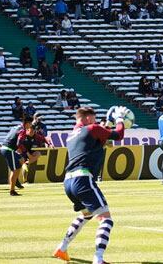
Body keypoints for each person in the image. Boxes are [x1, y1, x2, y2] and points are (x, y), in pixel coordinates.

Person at [52, 106, 127, 264]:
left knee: (86, 214)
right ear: (87, 118)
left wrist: (103, 139)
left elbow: (89, 147)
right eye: (93, 118)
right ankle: (98, 258)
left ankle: (62, 247)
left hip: (68, 182)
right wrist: (120, 119)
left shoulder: (71, 135)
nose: (95, 120)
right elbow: (118, 135)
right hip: (83, 179)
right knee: (106, 219)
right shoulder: (92, 128)